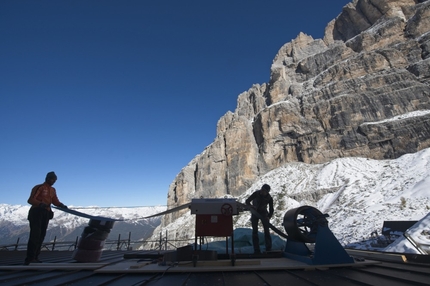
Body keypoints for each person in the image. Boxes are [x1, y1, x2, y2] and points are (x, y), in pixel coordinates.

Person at [25, 171, 67, 265]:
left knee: (41, 235)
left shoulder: (52, 190)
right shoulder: (39, 187)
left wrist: (61, 205)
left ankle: (35, 257)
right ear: (47, 178)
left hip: (46, 213)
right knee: (35, 235)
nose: (54, 181)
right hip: (36, 212)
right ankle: (30, 258)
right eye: (53, 179)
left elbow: (55, 200)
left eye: (55, 180)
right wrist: (40, 204)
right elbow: (31, 200)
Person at [245, 183, 274, 254]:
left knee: (266, 231)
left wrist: (268, 217)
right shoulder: (256, 194)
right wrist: (251, 206)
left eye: (264, 191)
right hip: (255, 213)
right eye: (262, 189)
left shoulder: (269, 198)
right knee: (255, 231)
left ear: (267, 192)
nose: (262, 191)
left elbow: (271, 209)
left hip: (263, 213)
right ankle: (256, 249)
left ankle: (268, 248)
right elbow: (247, 201)